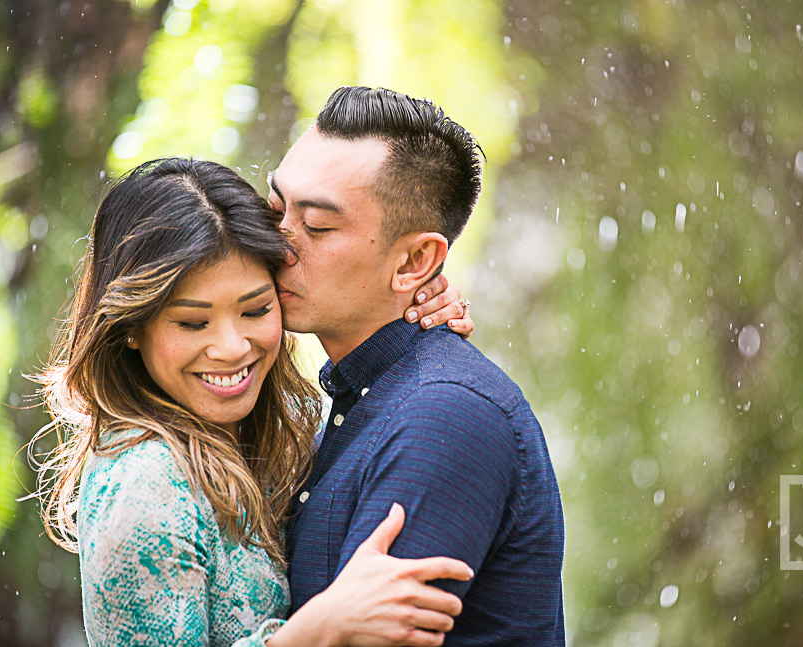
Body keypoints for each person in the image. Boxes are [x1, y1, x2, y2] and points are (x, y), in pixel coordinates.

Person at [31, 157, 478, 647]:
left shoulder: (275, 429)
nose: (232, 348)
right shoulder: (146, 486)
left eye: (255, 310)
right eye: (192, 322)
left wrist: (410, 295)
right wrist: (318, 630)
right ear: (133, 326)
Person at [270, 86, 566, 645]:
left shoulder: (443, 417)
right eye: (277, 208)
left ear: (414, 261)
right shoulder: (353, 401)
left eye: (316, 226)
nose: (278, 243)